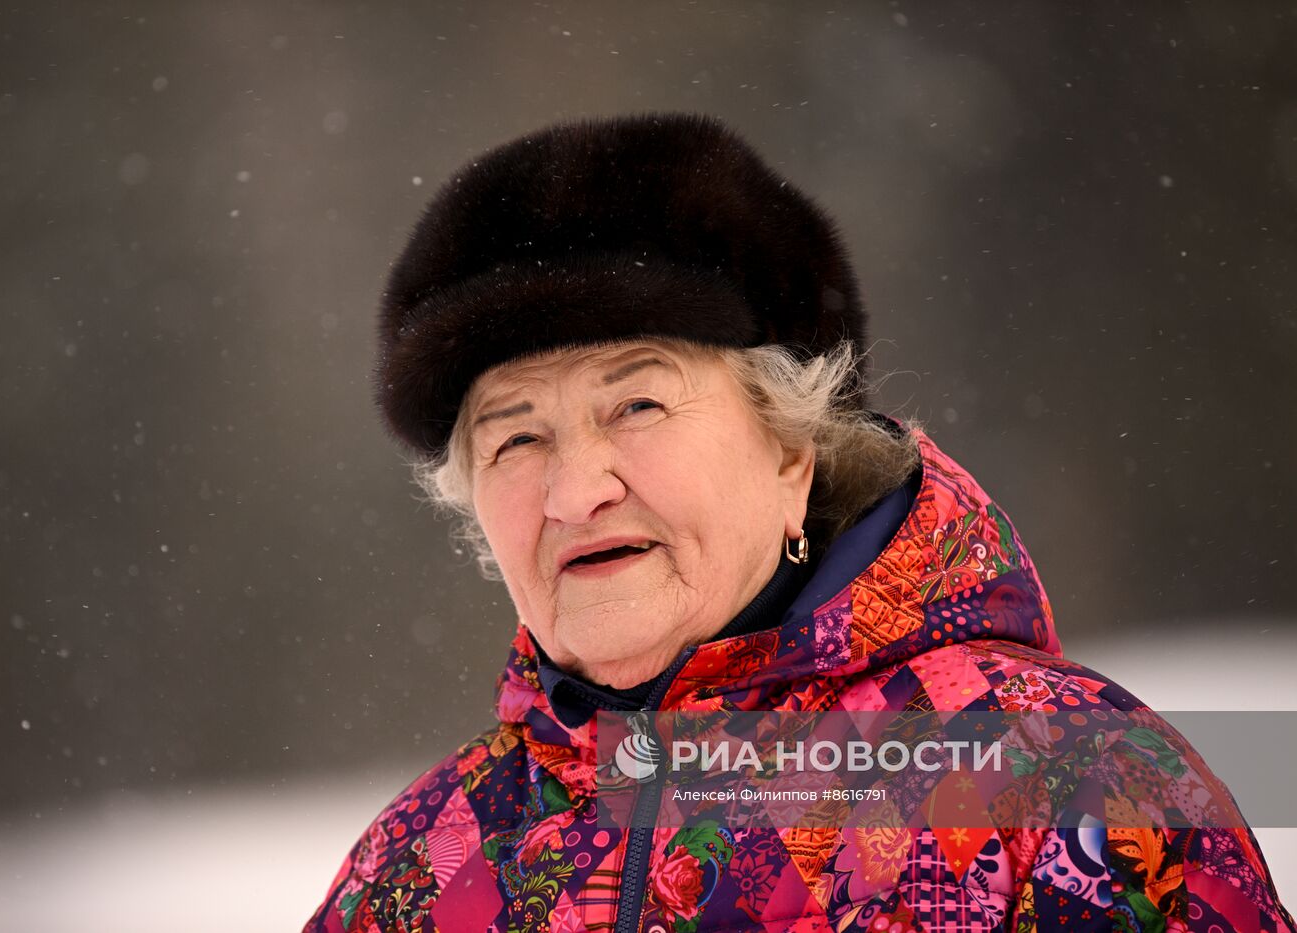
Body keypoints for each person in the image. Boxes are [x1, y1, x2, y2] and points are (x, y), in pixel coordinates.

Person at [304, 113, 1293, 932]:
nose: (574, 493)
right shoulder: (420, 869)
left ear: (790, 451)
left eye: (635, 406)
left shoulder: (1066, 788)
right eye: (514, 440)